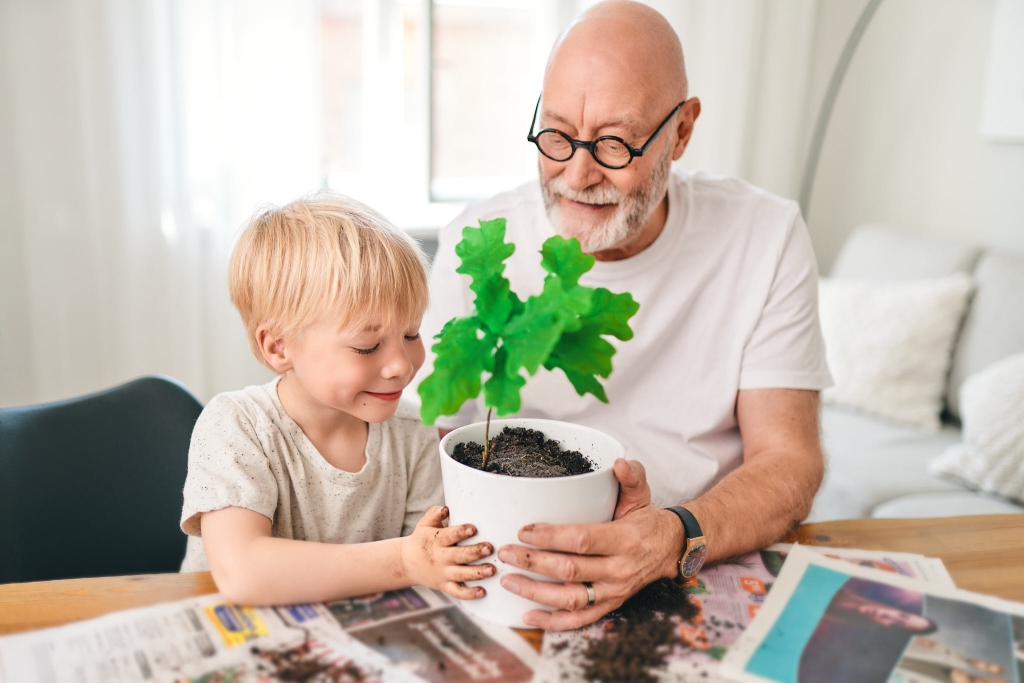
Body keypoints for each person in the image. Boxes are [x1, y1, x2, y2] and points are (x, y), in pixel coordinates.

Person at [417, 0, 831, 629]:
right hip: (515, 575)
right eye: (556, 135)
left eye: (614, 143)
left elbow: (790, 461)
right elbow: (431, 437)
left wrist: (674, 536)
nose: (577, 174)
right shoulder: (479, 235)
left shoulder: (765, 236)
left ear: (682, 132)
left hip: (694, 560)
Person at [178, 193, 495, 605]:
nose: (401, 364)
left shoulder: (413, 434)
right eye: (367, 346)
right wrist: (404, 560)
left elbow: (429, 564)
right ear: (278, 347)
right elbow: (243, 573)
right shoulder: (235, 425)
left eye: (411, 334)